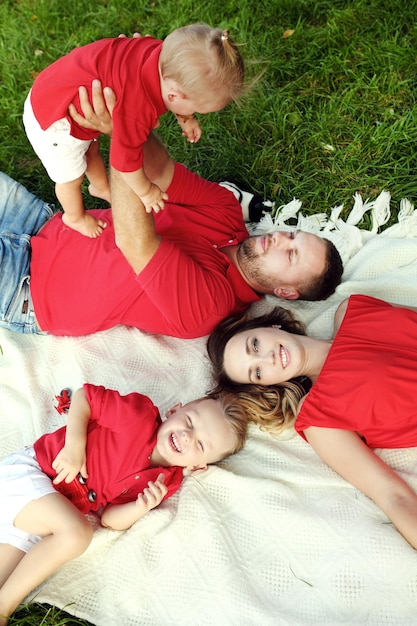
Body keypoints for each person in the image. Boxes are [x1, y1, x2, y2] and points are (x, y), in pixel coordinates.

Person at [0, 384, 248, 625]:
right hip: (33, 473)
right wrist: (74, 446)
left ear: (198, 465)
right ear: (174, 411)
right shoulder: (139, 415)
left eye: (200, 444)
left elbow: (109, 519)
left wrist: (139, 507)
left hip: (40, 520)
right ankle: (4, 609)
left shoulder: (165, 482)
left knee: (9, 577)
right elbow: (84, 397)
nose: (187, 436)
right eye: (190, 422)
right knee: (77, 534)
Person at [207, 293, 417, 549]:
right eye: (258, 372)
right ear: (267, 384)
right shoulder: (318, 418)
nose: (267, 358)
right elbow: (392, 496)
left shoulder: (350, 309)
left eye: (255, 346)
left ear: (268, 327)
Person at [23, 24, 245, 237]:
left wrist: (186, 117)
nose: (194, 112)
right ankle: (74, 217)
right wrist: (146, 191)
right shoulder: (137, 107)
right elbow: (125, 161)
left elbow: (180, 87)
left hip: (58, 85)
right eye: (196, 109)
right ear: (174, 96)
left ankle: (100, 187)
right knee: (70, 177)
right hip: (53, 121)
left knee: (90, 149)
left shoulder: (161, 56)